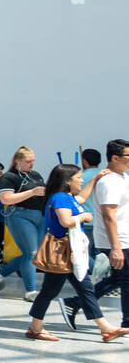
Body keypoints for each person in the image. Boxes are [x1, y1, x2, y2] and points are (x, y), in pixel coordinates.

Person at [26, 164, 127, 342]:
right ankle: (35, 328)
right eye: (79, 178)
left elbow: (81, 198)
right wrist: (84, 217)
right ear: (67, 181)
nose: (81, 180)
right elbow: (65, 221)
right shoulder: (60, 198)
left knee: (85, 289)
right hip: (63, 253)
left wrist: (95, 180)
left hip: (72, 252)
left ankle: (105, 328)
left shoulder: (68, 197)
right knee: (50, 291)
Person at [61, 139, 129, 333]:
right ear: (115, 158)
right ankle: (127, 323)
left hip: (123, 237)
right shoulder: (108, 182)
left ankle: (74, 303)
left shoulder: (123, 178)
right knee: (126, 280)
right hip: (117, 239)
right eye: (128, 156)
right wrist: (116, 247)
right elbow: (108, 215)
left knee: (118, 279)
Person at [0, 146, 47, 301]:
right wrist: (32, 192)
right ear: (18, 160)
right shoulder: (9, 177)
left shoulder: (35, 175)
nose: (32, 164)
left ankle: (0, 273)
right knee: (31, 253)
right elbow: (6, 199)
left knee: (33, 253)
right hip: (20, 216)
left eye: (33, 161)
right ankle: (30, 291)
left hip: (39, 215)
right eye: (28, 161)